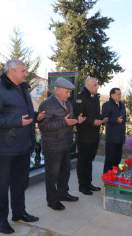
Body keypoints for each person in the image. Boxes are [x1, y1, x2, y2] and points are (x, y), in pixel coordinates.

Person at [0, 59, 45, 234]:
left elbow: (22, 113)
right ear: (11, 72)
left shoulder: (23, 88)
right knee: (2, 184)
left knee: (20, 182)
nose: (26, 74)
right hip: (6, 146)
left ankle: (19, 212)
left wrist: (36, 115)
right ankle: (0, 219)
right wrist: (18, 121)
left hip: (23, 144)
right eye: (23, 71)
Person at [38, 78, 85, 211]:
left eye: (70, 92)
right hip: (52, 146)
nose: (69, 95)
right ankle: (52, 201)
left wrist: (77, 120)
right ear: (58, 90)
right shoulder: (46, 105)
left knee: (65, 171)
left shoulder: (68, 103)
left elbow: (69, 120)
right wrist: (65, 123)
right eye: (67, 92)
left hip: (65, 144)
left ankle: (63, 194)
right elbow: (43, 126)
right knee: (52, 175)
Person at [73, 77, 108, 195]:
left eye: (97, 84)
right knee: (83, 161)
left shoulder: (95, 98)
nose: (97, 86)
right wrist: (92, 122)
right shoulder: (80, 98)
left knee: (89, 161)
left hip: (94, 135)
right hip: (84, 136)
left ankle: (89, 183)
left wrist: (102, 119)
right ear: (88, 85)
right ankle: (82, 186)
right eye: (95, 85)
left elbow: (96, 114)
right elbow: (78, 116)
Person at [101, 88, 130, 173]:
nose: (120, 96)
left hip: (120, 136)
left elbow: (122, 117)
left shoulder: (122, 105)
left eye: (120, 94)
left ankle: (114, 174)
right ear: (112, 95)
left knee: (118, 158)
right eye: (118, 94)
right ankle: (106, 176)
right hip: (112, 136)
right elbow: (104, 118)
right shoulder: (107, 105)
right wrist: (115, 120)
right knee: (110, 158)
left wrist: (126, 119)